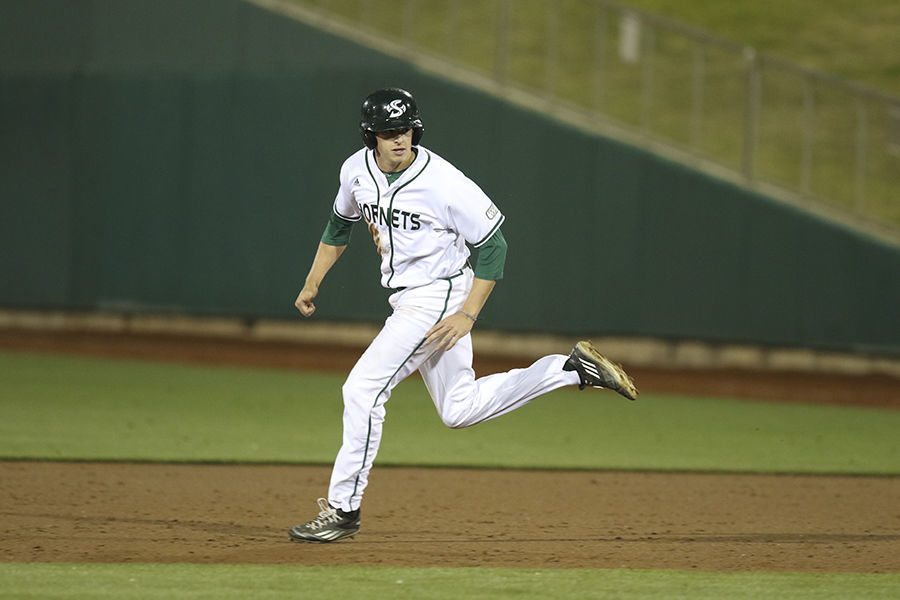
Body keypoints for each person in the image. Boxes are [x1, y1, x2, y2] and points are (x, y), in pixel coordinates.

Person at [288, 87, 637, 543]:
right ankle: (570, 369)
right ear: (370, 135)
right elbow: (339, 225)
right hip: (411, 297)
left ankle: (342, 510)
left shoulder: (445, 182)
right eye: (389, 132)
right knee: (459, 408)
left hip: (437, 297)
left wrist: (467, 315)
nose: (400, 139)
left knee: (362, 390)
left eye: (406, 129)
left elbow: (494, 247)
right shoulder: (355, 171)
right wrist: (313, 282)